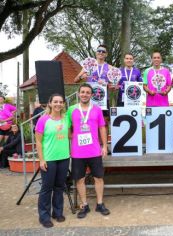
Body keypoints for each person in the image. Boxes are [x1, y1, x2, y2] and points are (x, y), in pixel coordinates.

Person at [67, 83, 110, 219]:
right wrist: (72, 137)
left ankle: (100, 203)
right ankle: (84, 205)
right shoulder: (71, 109)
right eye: (82, 92)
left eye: (87, 92)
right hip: (78, 152)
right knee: (79, 179)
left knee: (99, 178)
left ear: (91, 95)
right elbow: (68, 127)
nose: (85, 94)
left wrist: (104, 146)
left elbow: (102, 128)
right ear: (78, 93)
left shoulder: (97, 109)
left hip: (94, 151)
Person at [35, 93, 70, 228]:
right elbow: (38, 141)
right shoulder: (43, 120)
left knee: (59, 187)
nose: (58, 104)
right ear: (50, 103)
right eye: (55, 102)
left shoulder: (66, 119)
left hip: (64, 158)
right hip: (49, 159)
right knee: (46, 188)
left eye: (60, 102)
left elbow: (70, 133)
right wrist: (41, 159)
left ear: (63, 104)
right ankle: (44, 216)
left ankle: (57, 212)